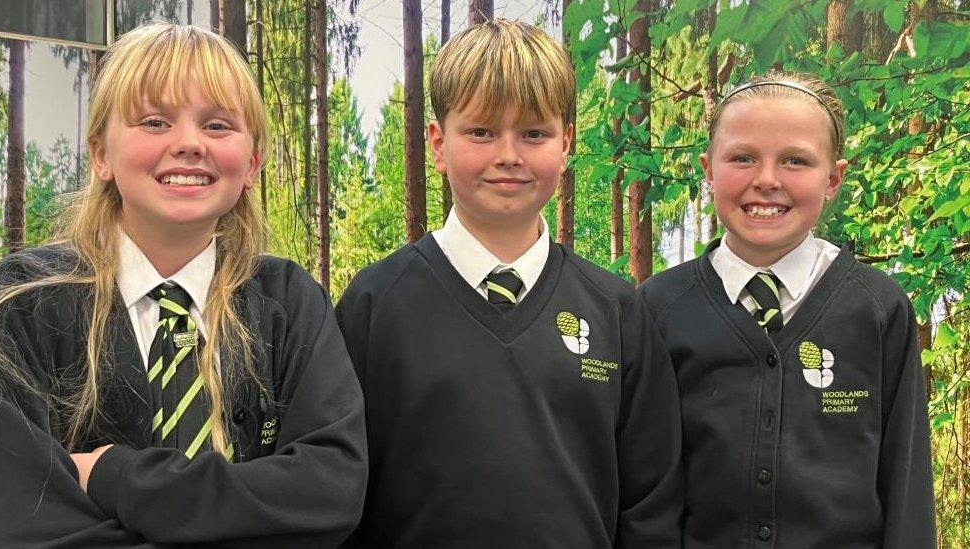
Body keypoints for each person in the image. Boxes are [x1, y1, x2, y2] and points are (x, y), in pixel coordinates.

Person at [0, 22, 367, 547]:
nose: (189, 144)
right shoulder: (20, 306)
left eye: (217, 126)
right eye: (154, 121)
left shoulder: (289, 303)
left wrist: (112, 476)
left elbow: (330, 491)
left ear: (252, 162)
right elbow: (20, 518)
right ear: (100, 153)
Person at [335, 19, 682, 549]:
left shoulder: (615, 310)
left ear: (565, 143)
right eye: (481, 132)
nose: (508, 155)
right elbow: (341, 488)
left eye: (534, 134)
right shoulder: (374, 304)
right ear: (437, 142)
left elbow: (650, 500)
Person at [640, 71, 936, 548]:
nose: (767, 181)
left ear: (834, 178)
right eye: (742, 158)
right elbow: (644, 490)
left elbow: (906, 486)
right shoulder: (658, 309)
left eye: (796, 160)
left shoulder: (879, 309)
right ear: (708, 170)